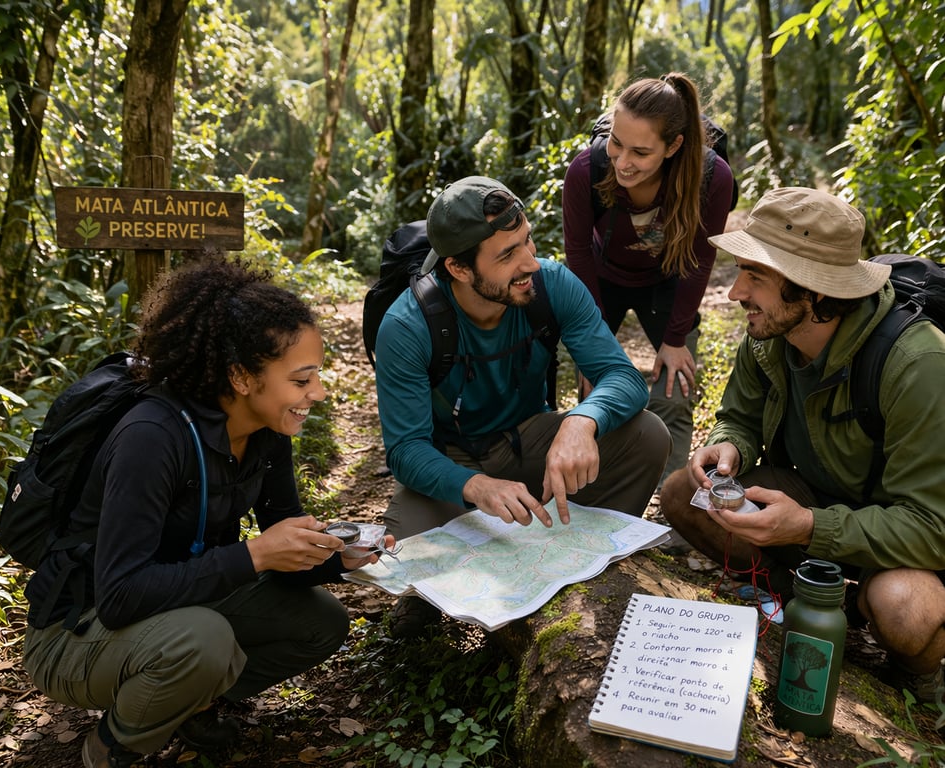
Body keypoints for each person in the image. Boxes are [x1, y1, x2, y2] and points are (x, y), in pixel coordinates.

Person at [21, 258, 393, 768]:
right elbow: (120, 596)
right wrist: (256, 555)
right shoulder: (151, 438)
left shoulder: (267, 432)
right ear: (240, 376)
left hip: (176, 604)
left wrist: (338, 558)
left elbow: (281, 547)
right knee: (204, 641)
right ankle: (111, 747)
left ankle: (185, 702)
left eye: (318, 376)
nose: (319, 393)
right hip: (75, 630)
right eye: (302, 379)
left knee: (321, 621)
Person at [659, 187, 945, 702]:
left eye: (756, 276)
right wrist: (728, 446)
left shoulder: (918, 365)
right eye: (740, 271)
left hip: (897, 535)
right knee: (684, 494)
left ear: (812, 290)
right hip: (811, 497)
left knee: (906, 608)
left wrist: (810, 526)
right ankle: (797, 599)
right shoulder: (770, 334)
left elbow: (931, 527)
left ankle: (915, 682)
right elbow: (739, 418)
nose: (735, 293)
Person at [374, 175, 671, 638]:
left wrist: (582, 421)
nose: (530, 261)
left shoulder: (552, 285)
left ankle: (582, 558)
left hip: (527, 440)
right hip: (449, 461)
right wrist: (477, 487)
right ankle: (431, 601)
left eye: (527, 240)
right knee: (405, 546)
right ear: (458, 268)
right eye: (507, 255)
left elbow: (623, 377)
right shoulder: (407, 326)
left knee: (647, 435)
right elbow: (406, 449)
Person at [563, 72, 734, 484]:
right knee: (592, 389)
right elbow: (578, 254)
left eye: (640, 152)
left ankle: (672, 496)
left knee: (674, 393)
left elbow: (699, 259)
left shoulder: (713, 178)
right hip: (601, 279)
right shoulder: (586, 170)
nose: (623, 162)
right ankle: (595, 485)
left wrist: (674, 340)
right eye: (616, 143)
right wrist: (592, 340)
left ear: (673, 147)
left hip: (669, 277)